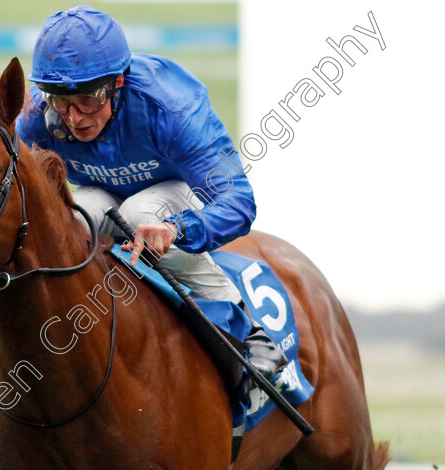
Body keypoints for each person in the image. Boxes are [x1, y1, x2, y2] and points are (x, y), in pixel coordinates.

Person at [16, 6, 287, 382]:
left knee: (141, 213)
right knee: (77, 215)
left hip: (172, 198)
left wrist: (177, 230)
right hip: (101, 196)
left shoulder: (173, 110)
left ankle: (249, 333)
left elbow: (239, 202)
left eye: (89, 100)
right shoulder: (34, 118)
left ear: (118, 83)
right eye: (60, 100)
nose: (74, 117)